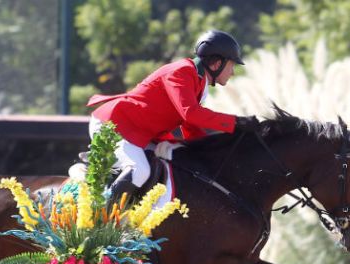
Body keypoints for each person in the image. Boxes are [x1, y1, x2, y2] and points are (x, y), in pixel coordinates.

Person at [86, 30, 262, 201]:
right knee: (140, 170)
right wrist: (236, 122)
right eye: (232, 65)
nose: (232, 72)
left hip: (138, 133)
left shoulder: (200, 82)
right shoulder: (181, 72)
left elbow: (190, 127)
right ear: (217, 63)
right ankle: (101, 219)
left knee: (175, 163)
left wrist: (207, 153)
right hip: (114, 125)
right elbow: (190, 114)